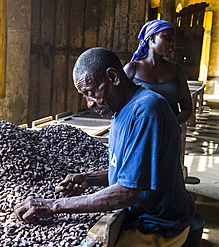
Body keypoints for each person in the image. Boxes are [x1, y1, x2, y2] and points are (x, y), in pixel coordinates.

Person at [14, 47, 195, 246]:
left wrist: (54, 205)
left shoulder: (147, 110)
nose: (89, 103)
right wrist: (88, 179)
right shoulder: (120, 110)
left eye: (91, 92)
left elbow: (127, 192)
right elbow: (133, 170)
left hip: (158, 227)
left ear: (113, 77)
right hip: (140, 215)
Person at [123, 20, 192, 126]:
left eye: (174, 40)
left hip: (169, 134)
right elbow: (120, 105)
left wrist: (171, 124)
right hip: (139, 133)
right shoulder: (132, 69)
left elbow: (187, 109)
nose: (172, 44)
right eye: (167, 38)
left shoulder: (176, 70)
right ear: (152, 38)